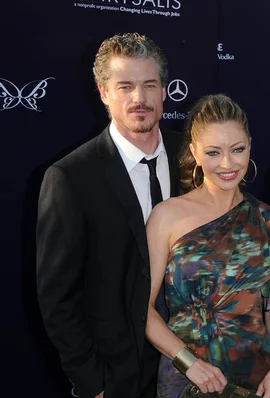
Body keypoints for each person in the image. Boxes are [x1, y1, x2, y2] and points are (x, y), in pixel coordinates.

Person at [36, 33, 182, 398]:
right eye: (125, 86)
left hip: (194, 366)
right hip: (117, 376)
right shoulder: (71, 177)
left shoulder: (194, 158)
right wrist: (93, 383)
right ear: (103, 92)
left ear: (164, 90)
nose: (139, 99)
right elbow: (58, 297)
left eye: (150, 85)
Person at [144, 94, 270, 398]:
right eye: (213, 153)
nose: (227, 164)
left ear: (250, 145)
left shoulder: (266, 218)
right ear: (194, 153)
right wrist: (190, 363)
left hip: (255, 379)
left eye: (237, 150)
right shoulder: (167, 216)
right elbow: (141, 309)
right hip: (186, 378)